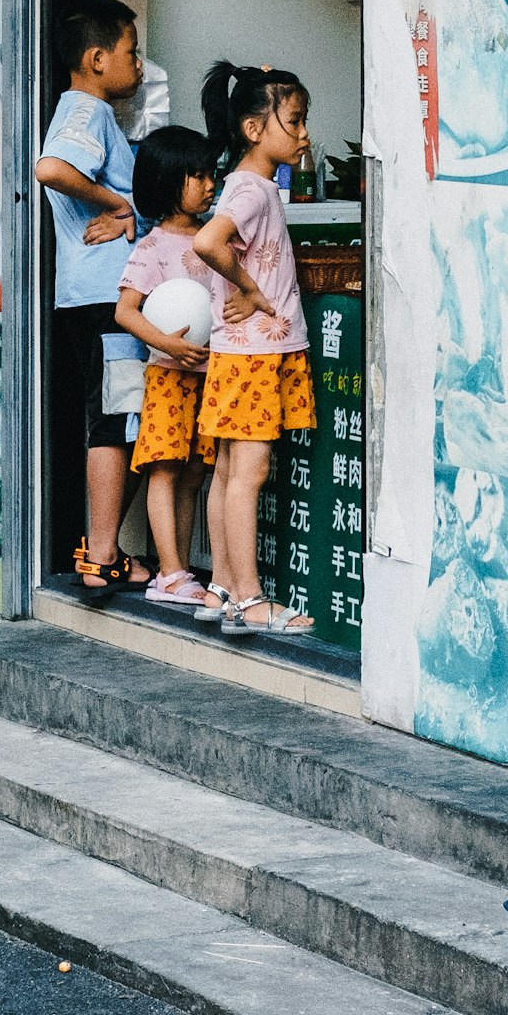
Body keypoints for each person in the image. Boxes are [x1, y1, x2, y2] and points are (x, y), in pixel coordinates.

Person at [192, 61, 317, 636]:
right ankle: (249, 599)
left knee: (227, 472)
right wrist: (250, 289)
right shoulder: (251, 189)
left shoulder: (251, 185)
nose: (304, 134)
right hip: (254, 355)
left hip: (239, 353)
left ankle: (222, 587)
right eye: (293, 122)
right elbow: (208, 241)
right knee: (248, 474)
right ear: (253, 128)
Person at [34, 0, 151, 599]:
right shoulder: (87, 110)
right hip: (106, 296)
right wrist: (116, 204)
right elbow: (50, 168)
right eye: (132, 51)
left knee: (125, 416)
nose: (139, 62)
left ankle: (105, 549)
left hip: (97, 294)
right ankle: (102, 553)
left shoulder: (90, 111)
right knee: (115, 417)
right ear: (97, 59)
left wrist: (123, 208)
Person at [113, 126, 217, 610]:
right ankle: (171, 572)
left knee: (195, 473)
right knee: (165, 469)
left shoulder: (214, 239)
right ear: (167, 181)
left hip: (209, 375)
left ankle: (178, 569)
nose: (209, 183)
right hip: (169, 377)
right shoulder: (153, 247)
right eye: (197, 175)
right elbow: (126, 311)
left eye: (210, 173)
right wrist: (167, 346)